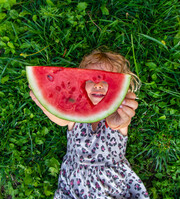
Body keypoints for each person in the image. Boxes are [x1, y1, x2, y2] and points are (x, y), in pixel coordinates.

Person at [30, 49, 150, 199]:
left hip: (110, 184)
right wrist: (47, 106)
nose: (98, 85)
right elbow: (62, 120)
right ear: (80, 83)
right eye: (91, 79)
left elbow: (121, 123)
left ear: (120, 87)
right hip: (76, 183)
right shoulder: (76, 113)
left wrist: (119, 120)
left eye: (107, 80)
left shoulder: (118, 113)